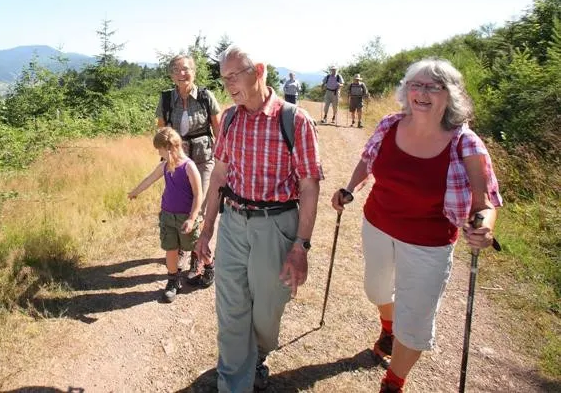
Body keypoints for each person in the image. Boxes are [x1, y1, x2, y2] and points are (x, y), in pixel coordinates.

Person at [330, 58, 502, 393]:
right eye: (416, 85)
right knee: (376, 290)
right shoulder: (390, 124)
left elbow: (486, 203)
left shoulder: (466, 143)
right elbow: (368, 159)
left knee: (417, 318)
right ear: (406, 90)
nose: (421, 93)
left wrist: (483, 226)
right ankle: (388, 326)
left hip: (429, 242)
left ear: (448, 95)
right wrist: (350, 189)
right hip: (378, 224)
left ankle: (393, 382)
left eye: (432, 87)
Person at [195, 45, 323, 392]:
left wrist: (301, 245)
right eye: (224, 79)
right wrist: (207, 230)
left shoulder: (294, 120)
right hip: (234, 222)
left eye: (235, 75)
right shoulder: (231, 118)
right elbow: (219, 176)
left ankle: (259, 354)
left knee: (267, 310)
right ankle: (235, 382)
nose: (230, 85)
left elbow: (309, 186)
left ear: (260, 70)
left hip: (276, 226)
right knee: (231, 308)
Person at [156, 54, 221, 285]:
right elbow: (161, 132)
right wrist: (163, 159)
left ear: (194, 71)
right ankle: (182, 247)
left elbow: (218, 129)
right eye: (177, 70)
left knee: (199, 207)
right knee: (180, 207)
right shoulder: (166, 100)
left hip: (203, 160)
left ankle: (199, 258)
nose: (182, 73)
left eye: (186, 69)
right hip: (177, 162)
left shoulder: (205, 96)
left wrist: (225, 162)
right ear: (172, 75)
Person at [127, 127, 204, 303]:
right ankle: (173, 280)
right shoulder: (164, 165)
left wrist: (192, 218)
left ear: (170, 148)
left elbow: (198, 194)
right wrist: (135, 192)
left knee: (194, 245)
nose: (159, 154)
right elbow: (149, 179)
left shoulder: (189, 167)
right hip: (167, 216)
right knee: (171, 250)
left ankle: (206, 265)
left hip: (186, 218)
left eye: (160, 150)